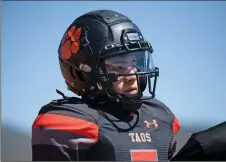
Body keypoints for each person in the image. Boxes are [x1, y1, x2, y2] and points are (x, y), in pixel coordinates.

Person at [31, 9, 180, 161]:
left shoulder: (160, 117)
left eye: (134, 63)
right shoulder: (70, 121)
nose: (132, 76)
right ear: (82, 72)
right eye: (117, 66)